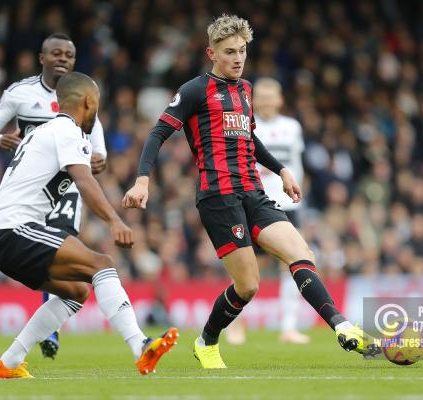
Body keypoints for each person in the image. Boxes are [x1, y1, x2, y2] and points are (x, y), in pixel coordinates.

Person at [123, 14, 380, 369]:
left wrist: (282, 169)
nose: (238, 58)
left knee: (301, 252)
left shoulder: (245, 90)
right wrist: (142, 179)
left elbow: (250, 138)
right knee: (248, 286)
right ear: (211, 53)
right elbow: (157, 134)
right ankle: (207, 342)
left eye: (242, 51)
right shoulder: (195, 90)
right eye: (229, 52)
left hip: (254, 192)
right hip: (218, 198)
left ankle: (344, 328)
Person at [0, 72, 178, 379]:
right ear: (88, 102)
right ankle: (141, 346)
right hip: (11, 228)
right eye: (96, 105)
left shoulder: (44, 131)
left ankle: (8, 362)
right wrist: (115, 221)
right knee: (103, 264)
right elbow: (84, 180)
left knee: (75, 291)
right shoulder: (67, 131)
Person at [0, 32, 107, 359]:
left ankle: (51, 328)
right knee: (53, 254)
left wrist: (100, 156)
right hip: (29, 189)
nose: (63, 59)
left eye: (69, 55)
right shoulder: (21, 93)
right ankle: (47, 324)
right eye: (57, 53)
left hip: (64, 189)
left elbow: (96, 136)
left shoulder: (82, 92)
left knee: (63, 247)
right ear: (42, 58)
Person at [225, 77, 310, 345]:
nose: (265, 100)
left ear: (280, 99)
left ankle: (288, 327)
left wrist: (299, 193)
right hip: (255, 202)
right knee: (248, 267)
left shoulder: (292, 127)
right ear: (253, 99)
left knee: (291, 264)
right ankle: (234, 325)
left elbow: (296, 163)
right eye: (260, 96)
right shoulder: (246, 124)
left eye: (270, 96)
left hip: (286, 205)